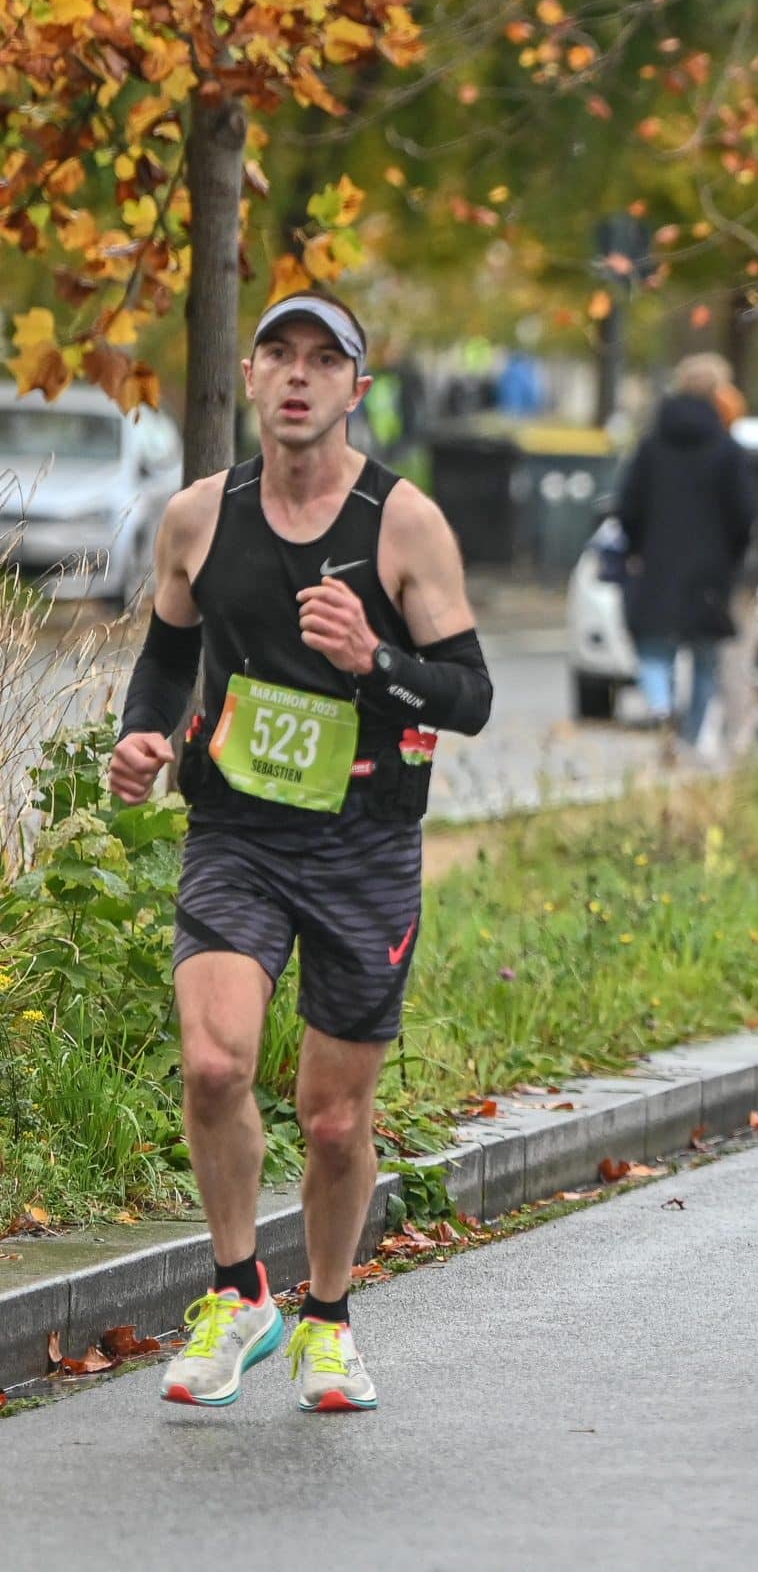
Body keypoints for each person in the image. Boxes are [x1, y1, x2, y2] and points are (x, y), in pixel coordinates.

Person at [111, 292, 492, 1412]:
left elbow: (469, 695)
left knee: (334, 1119)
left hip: (365, 845)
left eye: (324, 361)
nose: (296, 375)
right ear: (252, 371)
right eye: (279, 353)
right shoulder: (198, 517)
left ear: (354, 390)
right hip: (236, 831)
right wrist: (143, 735)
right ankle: (240, 1292)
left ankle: (328, 1315)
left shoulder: (401, 524)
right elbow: (164, 659)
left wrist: (375, 660)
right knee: (216, 1063)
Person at [618, 353, 758, 756]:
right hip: (710, 571)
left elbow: (627, 507)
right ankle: (690, 740)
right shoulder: (727, 451)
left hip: (658, 563)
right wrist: (733, 556)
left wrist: (636, 548)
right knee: (705, 658)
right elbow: (745, 515)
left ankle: (662, 707)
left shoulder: (650, 447)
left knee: (652, 648)